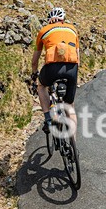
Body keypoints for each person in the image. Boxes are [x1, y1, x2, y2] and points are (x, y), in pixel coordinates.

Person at [31, 7, 80, 136]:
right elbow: (78, 56)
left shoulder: (44, 31)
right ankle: (74, 148)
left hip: (52, 68)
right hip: (72, 68)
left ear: (50, 20)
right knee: (70, 106)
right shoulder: (73, 29)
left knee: (41, 86)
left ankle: (48, 118)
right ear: (63, 19)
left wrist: (34, 73)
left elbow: (35, 61)